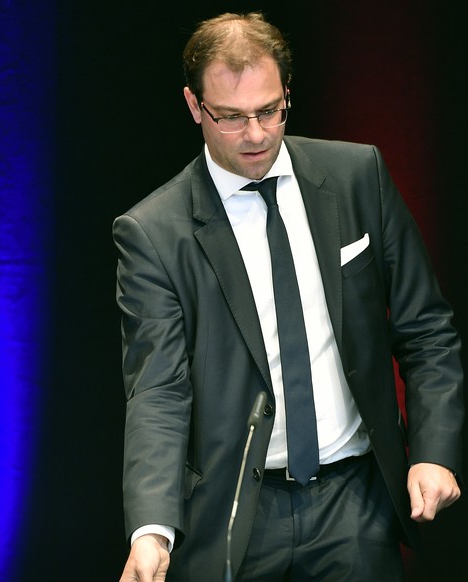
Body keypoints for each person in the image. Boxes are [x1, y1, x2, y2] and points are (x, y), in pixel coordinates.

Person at [113, 12, 462, 582]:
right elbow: (157, 390)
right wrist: (151, 529)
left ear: (288, 95)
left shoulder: (355, 175)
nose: (255, 134)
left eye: (270, 110)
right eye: (230, 117)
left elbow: (425, 328)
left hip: (355, 503)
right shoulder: (155, 232)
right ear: (193, 106)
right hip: (235, 513)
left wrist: (434, 448)